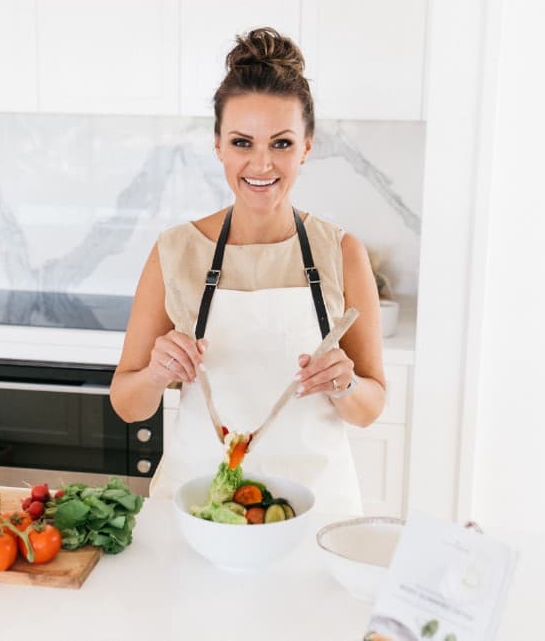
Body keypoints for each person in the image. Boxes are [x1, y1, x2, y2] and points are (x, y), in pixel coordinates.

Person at [110, 27, 386, 516]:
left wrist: (346, 384)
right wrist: (156, 373)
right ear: (217, 144)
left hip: (316, 513)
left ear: (307, 147)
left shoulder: (342, 252)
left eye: (281, 143)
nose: (262, 164)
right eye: (242, 142)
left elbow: (369, 407)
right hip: (199, 509)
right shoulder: (175, 252)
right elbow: (129, 404)